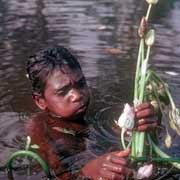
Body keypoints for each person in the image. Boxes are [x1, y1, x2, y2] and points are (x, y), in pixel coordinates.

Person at [26, 46, 158, 180]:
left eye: (81, 83)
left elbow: (115, 129)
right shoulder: (39, 131)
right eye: (62, 92)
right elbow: (52, 175)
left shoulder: (97, 106)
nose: (77, 95)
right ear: (40, 101)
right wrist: (85, 173)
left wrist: (138, 123)